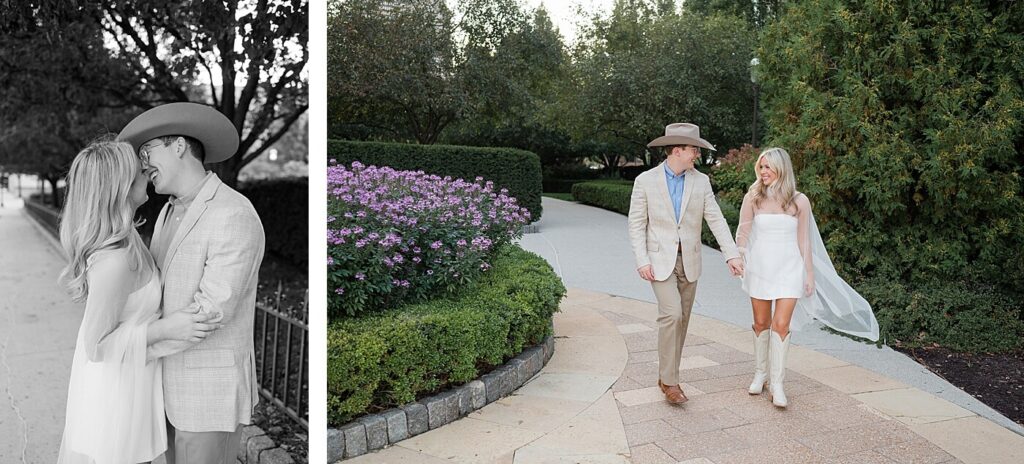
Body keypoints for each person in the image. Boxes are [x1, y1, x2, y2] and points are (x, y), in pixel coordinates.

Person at [56, 139, 222, 464]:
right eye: (138, 169)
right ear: (120, 185)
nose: (146, 171)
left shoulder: (129, 238)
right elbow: (96, 347)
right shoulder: (114, 261)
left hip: (135, 381)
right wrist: (166, 329)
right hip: (116, 396)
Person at [118, 102, 266, 463]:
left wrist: (132, 345)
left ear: (179, 145)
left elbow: (210, 312)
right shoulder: (167, 210)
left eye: (147, 151)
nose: (143, 164)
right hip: (160, 389)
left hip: (207, 394)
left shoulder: (233, 212)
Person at [736, 147, 879, 408]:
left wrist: (809, 274)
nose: (763, 171)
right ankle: (761, 374)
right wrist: (739, 255)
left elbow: (805, 240)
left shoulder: (799, 201)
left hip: (790, 269)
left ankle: (777, 384)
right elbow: (743, 232)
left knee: (781, 324)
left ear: (782, 169)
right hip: (759, 268)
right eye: (761, 167)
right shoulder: (753, 197)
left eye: (768, 166)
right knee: (760, 322)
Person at [628, 123, 744, 404]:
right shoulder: (645, 181)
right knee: (672, 314)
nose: (697, 155)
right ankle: (671, 383)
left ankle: (667, 375)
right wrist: (642, 260)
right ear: (677, 150)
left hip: (690, 261)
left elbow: (714, 218)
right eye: (694, 150)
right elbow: (636, 224)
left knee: (682, 322)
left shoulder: (700, 182)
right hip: (659, 262)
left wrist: (731, 253)